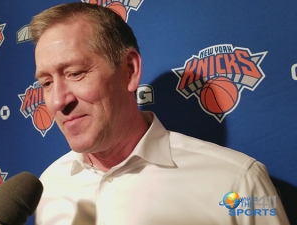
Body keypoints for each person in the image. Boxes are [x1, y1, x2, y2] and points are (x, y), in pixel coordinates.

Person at [30, 2, 289, 224]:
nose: (56, 101)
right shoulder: (51, 183)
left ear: (129, 70)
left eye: (75, 73)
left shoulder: (237, 181)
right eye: (46, 83)